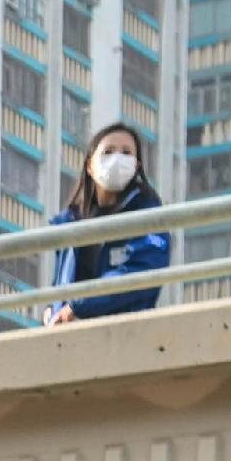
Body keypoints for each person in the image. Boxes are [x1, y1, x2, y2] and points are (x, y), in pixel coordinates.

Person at [40, 123, 170, 324]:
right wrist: (51, 308)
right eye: (108, 151)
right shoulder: (71, 221)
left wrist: (77, 306)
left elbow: (141, 271)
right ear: (90, 166)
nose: (117, 158)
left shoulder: (147, 212)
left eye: (126, 152)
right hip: (67, 338)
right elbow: (62, 282)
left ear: (136, 166)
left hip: (122, 334)